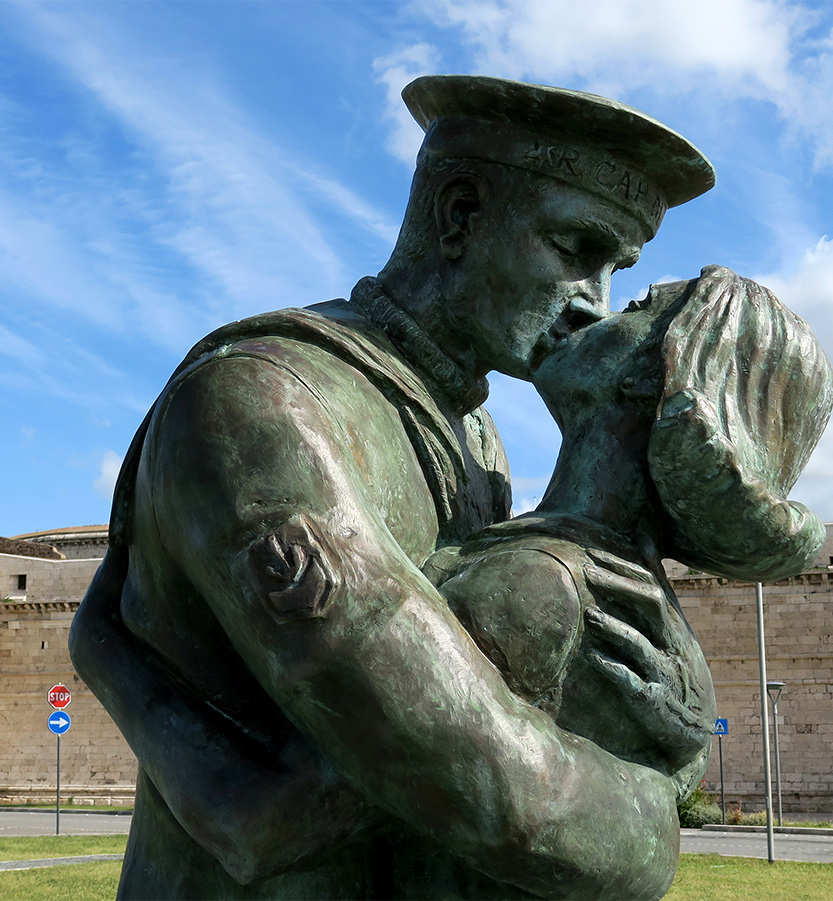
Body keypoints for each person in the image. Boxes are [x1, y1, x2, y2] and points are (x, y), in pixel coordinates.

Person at [69, 75, 717, 899]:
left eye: (617, 268)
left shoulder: (475, 438)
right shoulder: (264, 403)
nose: (597, 303)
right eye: (575, 248)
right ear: (459, 215)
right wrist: (662, 802)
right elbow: (490, 788)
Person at [428, 265, 833, 794]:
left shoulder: (541, 585)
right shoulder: (595, 571)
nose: (592, 310)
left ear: (650, 377)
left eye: (636, 308)